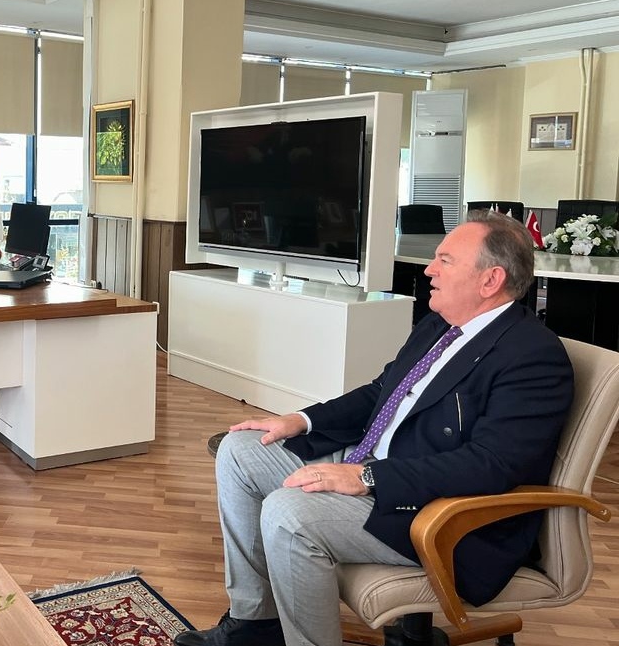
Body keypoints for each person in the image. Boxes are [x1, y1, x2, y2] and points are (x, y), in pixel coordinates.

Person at [175, 210, 574, 646]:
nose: (429, 270)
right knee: (241, 449)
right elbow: (380, 392)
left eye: (445, 260)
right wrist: (300, 419)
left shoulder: (531, 356)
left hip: (435, 511)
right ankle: (256, 623)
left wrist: (367, 476)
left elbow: (491, 465)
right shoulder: (439, 325)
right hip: (377, 465)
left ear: (490, 280)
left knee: (288, 513)